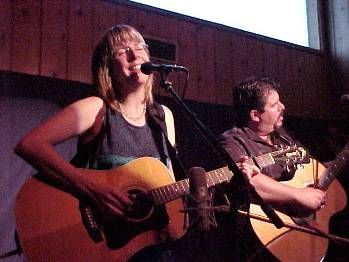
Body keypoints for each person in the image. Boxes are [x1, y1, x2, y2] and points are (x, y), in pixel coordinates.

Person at [15, 24, 179, 261]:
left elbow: (168, 183)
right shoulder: (96, 108)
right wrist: (92, 189)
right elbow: (30, 145)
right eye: (123, 51)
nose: (135, 55)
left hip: (150, 249)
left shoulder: (164, 117)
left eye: (140, 46)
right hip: (101, 248)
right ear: (107, 67)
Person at [219, 76, 326, 260]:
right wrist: (298, 195)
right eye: (275, 104)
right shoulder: (233, 141)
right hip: (259, 242)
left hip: (300, 230)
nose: (282, 106)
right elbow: (250, 179)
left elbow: (310, 169)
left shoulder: (283, 138)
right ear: (255, 115)